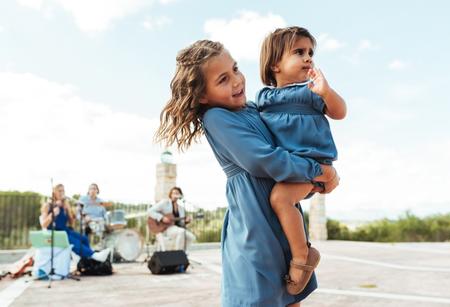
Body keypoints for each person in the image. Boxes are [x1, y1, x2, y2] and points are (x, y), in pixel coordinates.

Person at [155, 40, 339, 306]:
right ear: (203, 95)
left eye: (236, 69)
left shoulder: (254, 109)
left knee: (290, 298)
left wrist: (314, 182)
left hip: (282, 223)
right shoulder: (216, 117)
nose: (237, 81)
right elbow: (264, 160)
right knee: (259, 297)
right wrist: (318, 171)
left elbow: (287, 157)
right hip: (255, 226)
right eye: (223, 79)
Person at [256, 26, 347, 294]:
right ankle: (296, 250)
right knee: (284, 203)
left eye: (310, 53)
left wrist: (326, 92)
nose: (308, 58)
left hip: (312, 164)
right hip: (288, 166)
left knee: (280, 199)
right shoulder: (264, 97)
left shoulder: (312, 90)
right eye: (299, 52)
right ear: (275, 64)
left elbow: (340, 112)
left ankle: (301, 257)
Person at [40, 184, 110, 262]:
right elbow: (44, 224)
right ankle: (93, 255)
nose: (62, 193)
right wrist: (52, 215)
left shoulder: (65, 205)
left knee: (84, 239)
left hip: (65, 230)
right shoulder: (48, 205)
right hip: (54, 232)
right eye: (59, 191)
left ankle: (87, 261)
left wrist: (69, 211)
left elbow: (71, 222)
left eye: (63, 191)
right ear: (54, 192)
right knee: (73, 241)